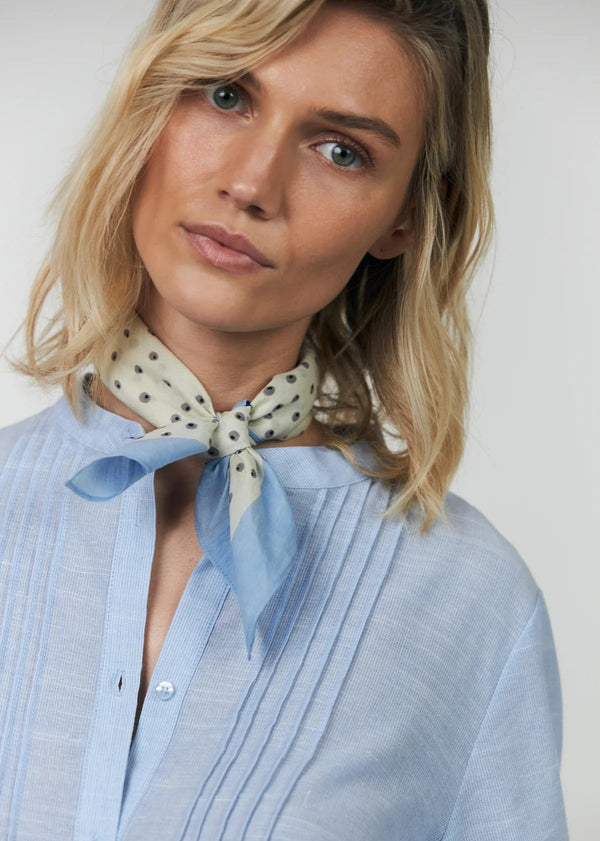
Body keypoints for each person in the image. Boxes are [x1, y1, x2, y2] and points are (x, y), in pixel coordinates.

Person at [0, 0, 568, 838]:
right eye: (226, 94)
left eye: (341, 150)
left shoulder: (468, 605)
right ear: (151, 100)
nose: (251, 184)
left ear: (406, 215)